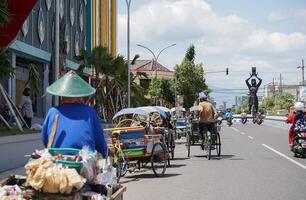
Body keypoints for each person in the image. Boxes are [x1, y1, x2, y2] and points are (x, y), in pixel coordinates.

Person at [41, 71, 108, 158]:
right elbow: (100, 142)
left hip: (57, 160)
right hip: (84, 160)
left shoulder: (52, 112)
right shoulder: (90, 113)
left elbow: (45, 139)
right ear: (81, 97)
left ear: (62, 96)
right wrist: (105, 153)